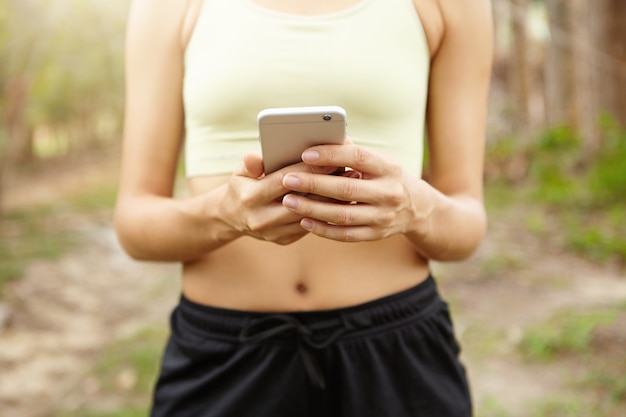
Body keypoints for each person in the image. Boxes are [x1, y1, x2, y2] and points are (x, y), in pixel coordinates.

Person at [114, 0, 493, 415]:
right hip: (224, 361)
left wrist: (416, 207)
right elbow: (134, 223)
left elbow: (467, 224)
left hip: (395, 358)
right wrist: (224, 213)